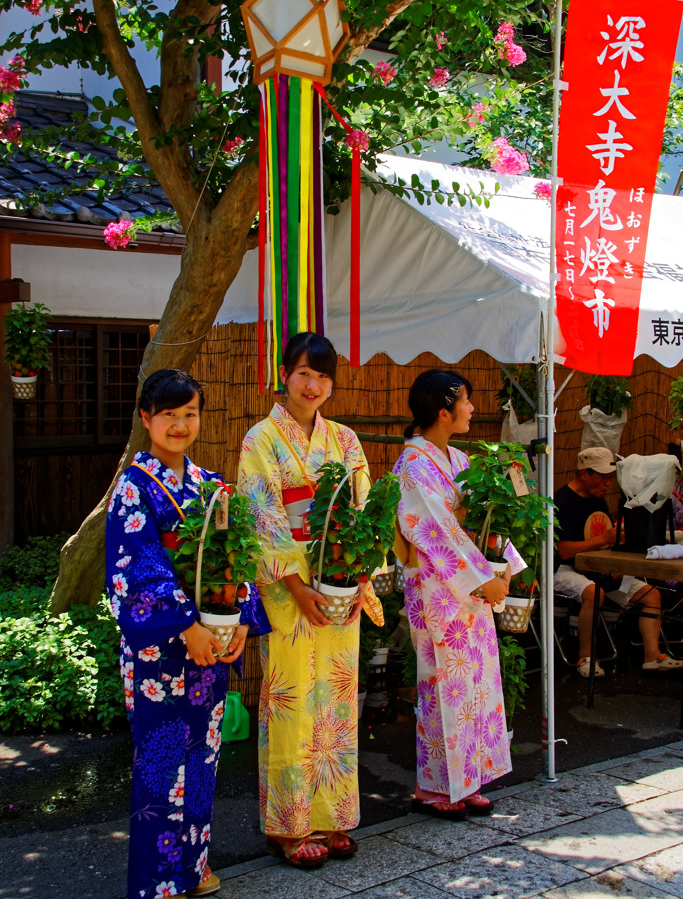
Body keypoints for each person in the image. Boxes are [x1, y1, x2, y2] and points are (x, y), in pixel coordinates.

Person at [105, 369, 268, 899]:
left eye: (190, 413)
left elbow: (236, 554)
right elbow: (140, 567)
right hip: (163, 649)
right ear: (146, 419)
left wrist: (241, 615)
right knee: (160, 757)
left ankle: (193, 862)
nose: (180, 424)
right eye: (168, 413)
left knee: (202, 758)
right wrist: (189, 625)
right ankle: (162, 875)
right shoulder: (133, 487)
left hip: (211, 647)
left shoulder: (211, 486)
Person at [238, 332, 383, 868]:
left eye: (323, 375)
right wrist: (298, 586)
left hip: (339, 582)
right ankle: (288, 825)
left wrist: (352, 568)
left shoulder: (344, 440)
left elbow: (363, 507)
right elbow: (262, 517)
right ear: (284, 374)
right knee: (293, 700)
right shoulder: (260, 439)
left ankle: (331, 815)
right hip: (288, 590)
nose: (312, 384)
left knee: (337, 701)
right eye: (303, 372)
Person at [392, 369, 524, 819]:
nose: (472, 408)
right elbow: (438, 532)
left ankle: (468, 779)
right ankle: (434, 787)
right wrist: (484, 578)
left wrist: (509, 565)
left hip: (471, 588)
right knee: (441, 684)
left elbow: (482, 521)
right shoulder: (412, 466)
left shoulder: (462, 462)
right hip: (438, 590)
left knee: (476, 682)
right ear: (444, 412)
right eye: (466, 402)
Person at [554, 446, 683, 676]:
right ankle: (586, 658)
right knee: (594, 593)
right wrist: (603, 539)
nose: (607, 485)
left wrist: (612, 561)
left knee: (651, 595)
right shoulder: (561, 502)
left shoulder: (598, 500)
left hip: (596, 568)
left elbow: (604, 538)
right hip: (563, 569)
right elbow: (563, 550)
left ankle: (652, 656)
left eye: (610, 479)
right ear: (585, 474)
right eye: (603, 478)